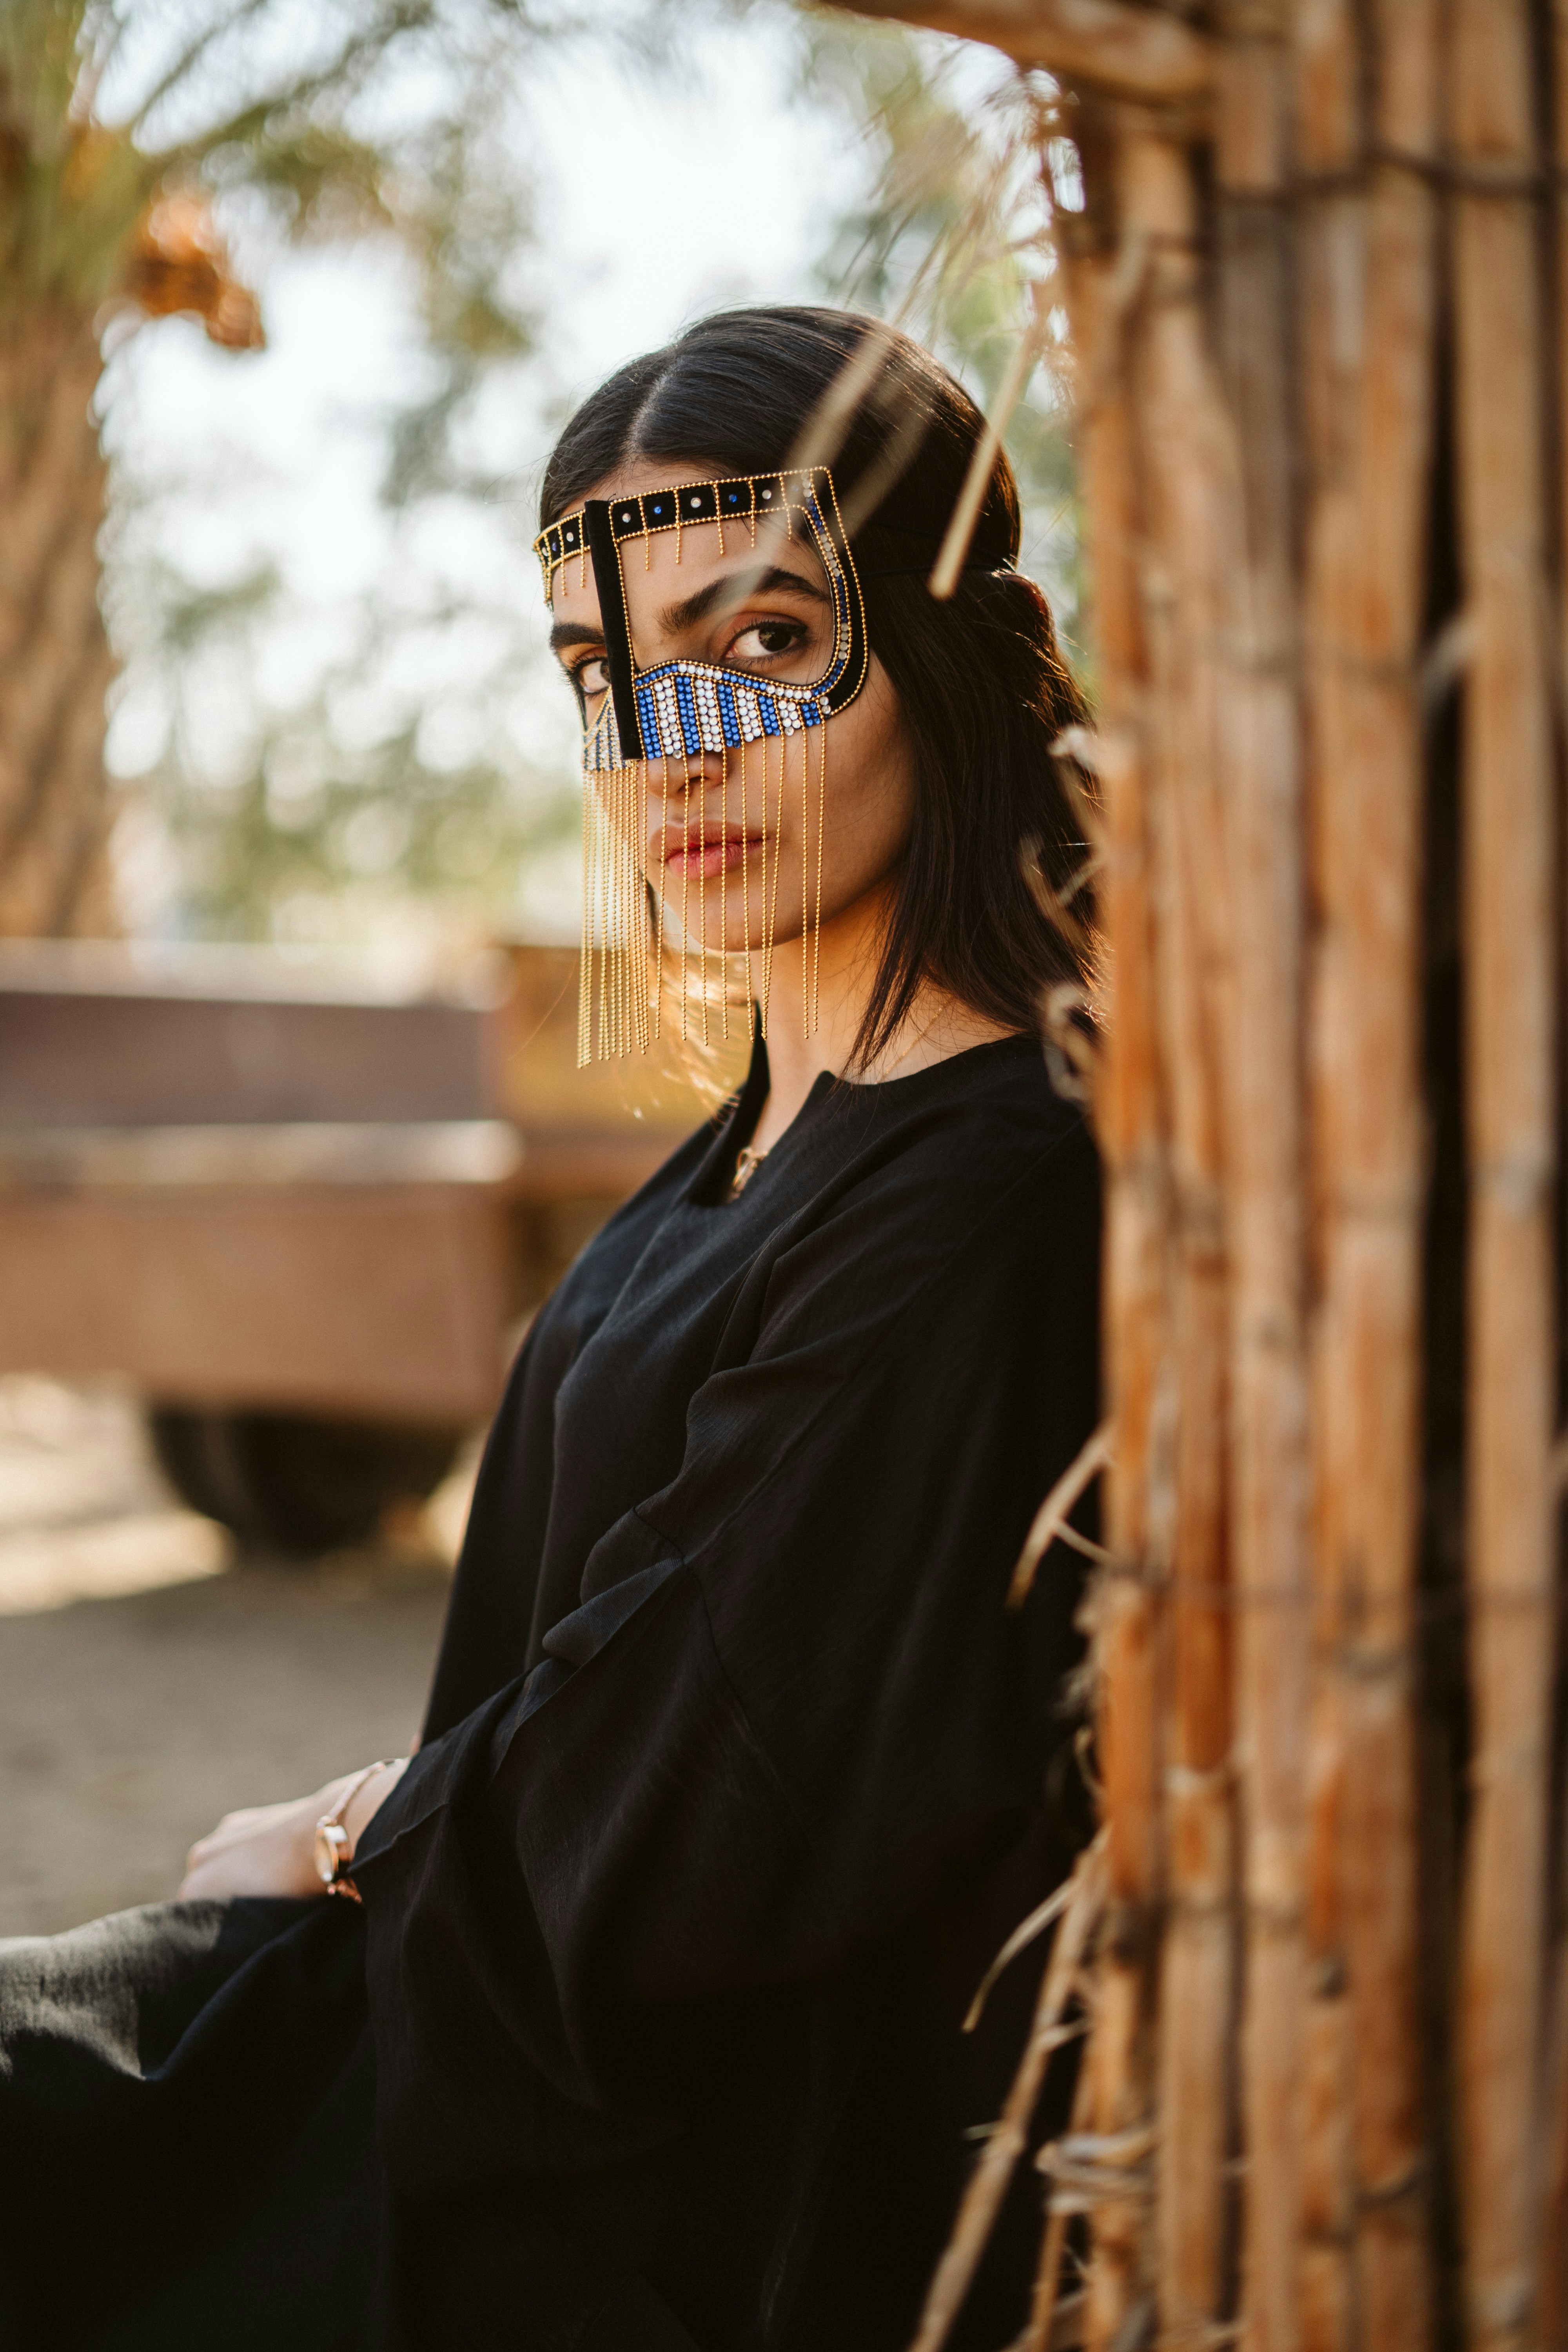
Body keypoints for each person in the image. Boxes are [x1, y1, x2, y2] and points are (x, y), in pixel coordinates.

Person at [0, 305, 1102, 2352]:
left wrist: (338, 1830)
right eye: (607, 672)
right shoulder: (754, 1134)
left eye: (763, 641)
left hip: (668, 2206)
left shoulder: (988, 1187)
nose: (668, 743)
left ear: (936, 635)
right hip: (472, 2032)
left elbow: (711, 1753)